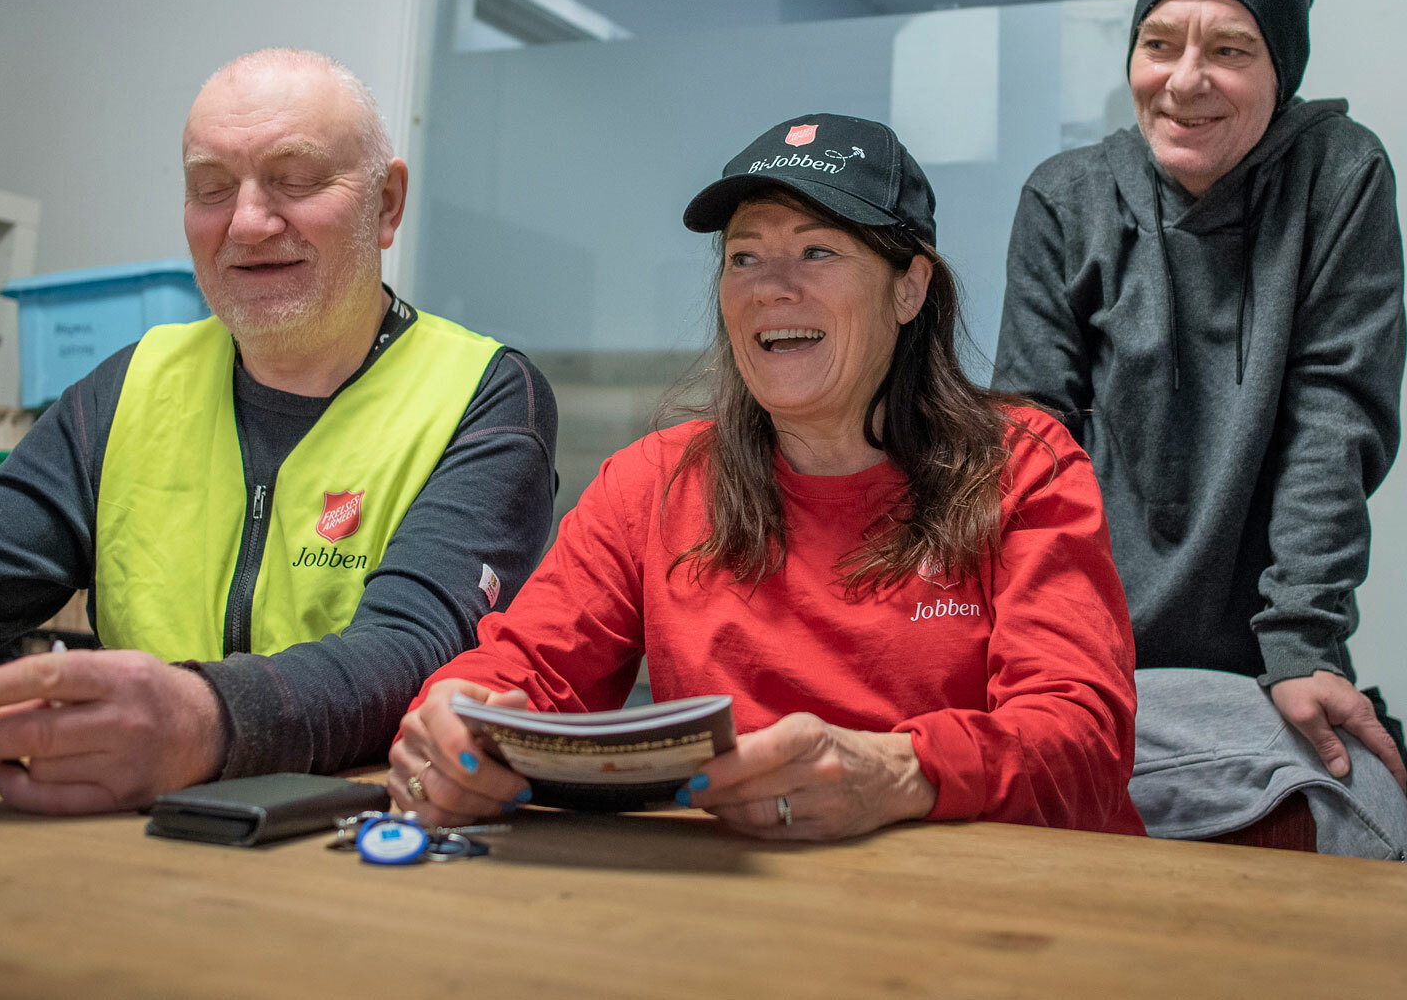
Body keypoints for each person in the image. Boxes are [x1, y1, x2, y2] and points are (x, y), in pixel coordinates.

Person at [389, 114, 1143, 839]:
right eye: (743, 257)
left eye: (818, 252)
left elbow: (1081, 744)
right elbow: (527, 670)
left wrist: (899, 771)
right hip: (747, 897)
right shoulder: (653, 481)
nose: (770, 288)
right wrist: (458, 713)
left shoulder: (1022, 467)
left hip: (997, 904)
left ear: (909, 288)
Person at [0, 49, 557, 814]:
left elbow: (416, 651)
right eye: (211, 188)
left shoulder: (484, 394)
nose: (249, 222)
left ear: (387, 204)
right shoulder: (132, 385)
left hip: (362, 841)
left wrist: (205, 720)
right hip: (127, 834)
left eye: (296, 181)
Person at [993, 0, 1407, 852]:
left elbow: (1333, 421)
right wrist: (1037, 652)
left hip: (1259, 655)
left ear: (1282, 73)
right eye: (1160, 45)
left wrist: (1302, 643)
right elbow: (1030, 442)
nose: (1185, 80)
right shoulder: (1068, 197)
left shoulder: (1339, 175)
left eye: (1229, 50)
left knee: (1361, 813)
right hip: (1080, 648)